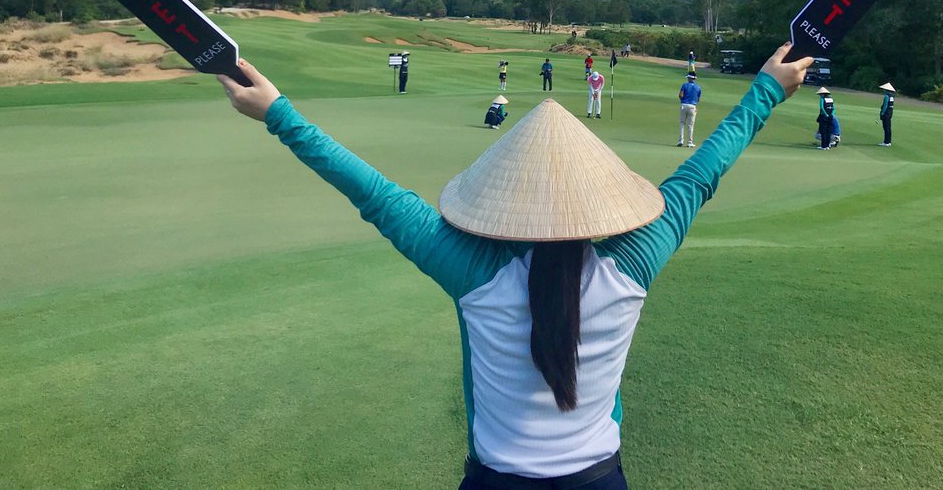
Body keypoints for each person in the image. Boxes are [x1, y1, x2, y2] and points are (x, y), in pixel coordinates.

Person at [217, 43, 811, 488]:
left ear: (505, 200)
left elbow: (376, 194)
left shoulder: (473, 272)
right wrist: (766, 89)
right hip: (600, 479)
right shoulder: (632, 263)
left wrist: (278, 114)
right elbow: (700, 175)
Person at [677, 72, 702, 147]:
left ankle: (681, 140)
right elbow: (698, 99)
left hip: (684, 105)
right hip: (692, 106)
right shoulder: (698, 87)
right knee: (690, 125)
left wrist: (683, 100)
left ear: (689, 78)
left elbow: (680, 95)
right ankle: (690, 142)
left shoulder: (684, 85)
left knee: (682, 123)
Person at [879, 82, 895, 146]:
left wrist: (882, 113)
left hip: (886, 113)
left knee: (886, 127)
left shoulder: (886, 96)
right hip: (890, 113)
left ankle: (886, 142)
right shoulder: (892, 96)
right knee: (888, 127)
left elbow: (885, 106)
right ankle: (888, 142)